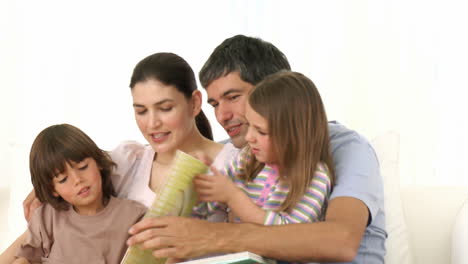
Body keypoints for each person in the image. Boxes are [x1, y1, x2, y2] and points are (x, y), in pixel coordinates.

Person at [126, 35, 386, 263]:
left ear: (275, 91)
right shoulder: (236, 155)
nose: (222, 116)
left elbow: (341, 241)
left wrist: (215, 235)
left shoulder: (344, 147)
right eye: (215, 104)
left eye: (233, 97)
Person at [3, 52, 230, 262]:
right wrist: (47, 185)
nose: (152, 124)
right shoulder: (130, 159)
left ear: (195, 103)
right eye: (141, 111)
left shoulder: (234, 165)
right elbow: (74, 161)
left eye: (165, 108)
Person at [192, 71, 334, 228]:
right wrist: (201, 187)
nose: (249, 137)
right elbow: (205, 210)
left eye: (261, 131)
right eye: (249, 125)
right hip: (234, 251)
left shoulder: (314, 176)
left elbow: (290, 235)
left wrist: (233, 198)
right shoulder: (247, 158)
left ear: (294, 134)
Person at [12, 124, 147, 264]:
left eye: (83, 167)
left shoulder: (133, 215)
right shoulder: (47, 216)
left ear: (98, 162)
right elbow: (24, 259)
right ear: (53, 189)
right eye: (63, 179)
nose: (77, 180)